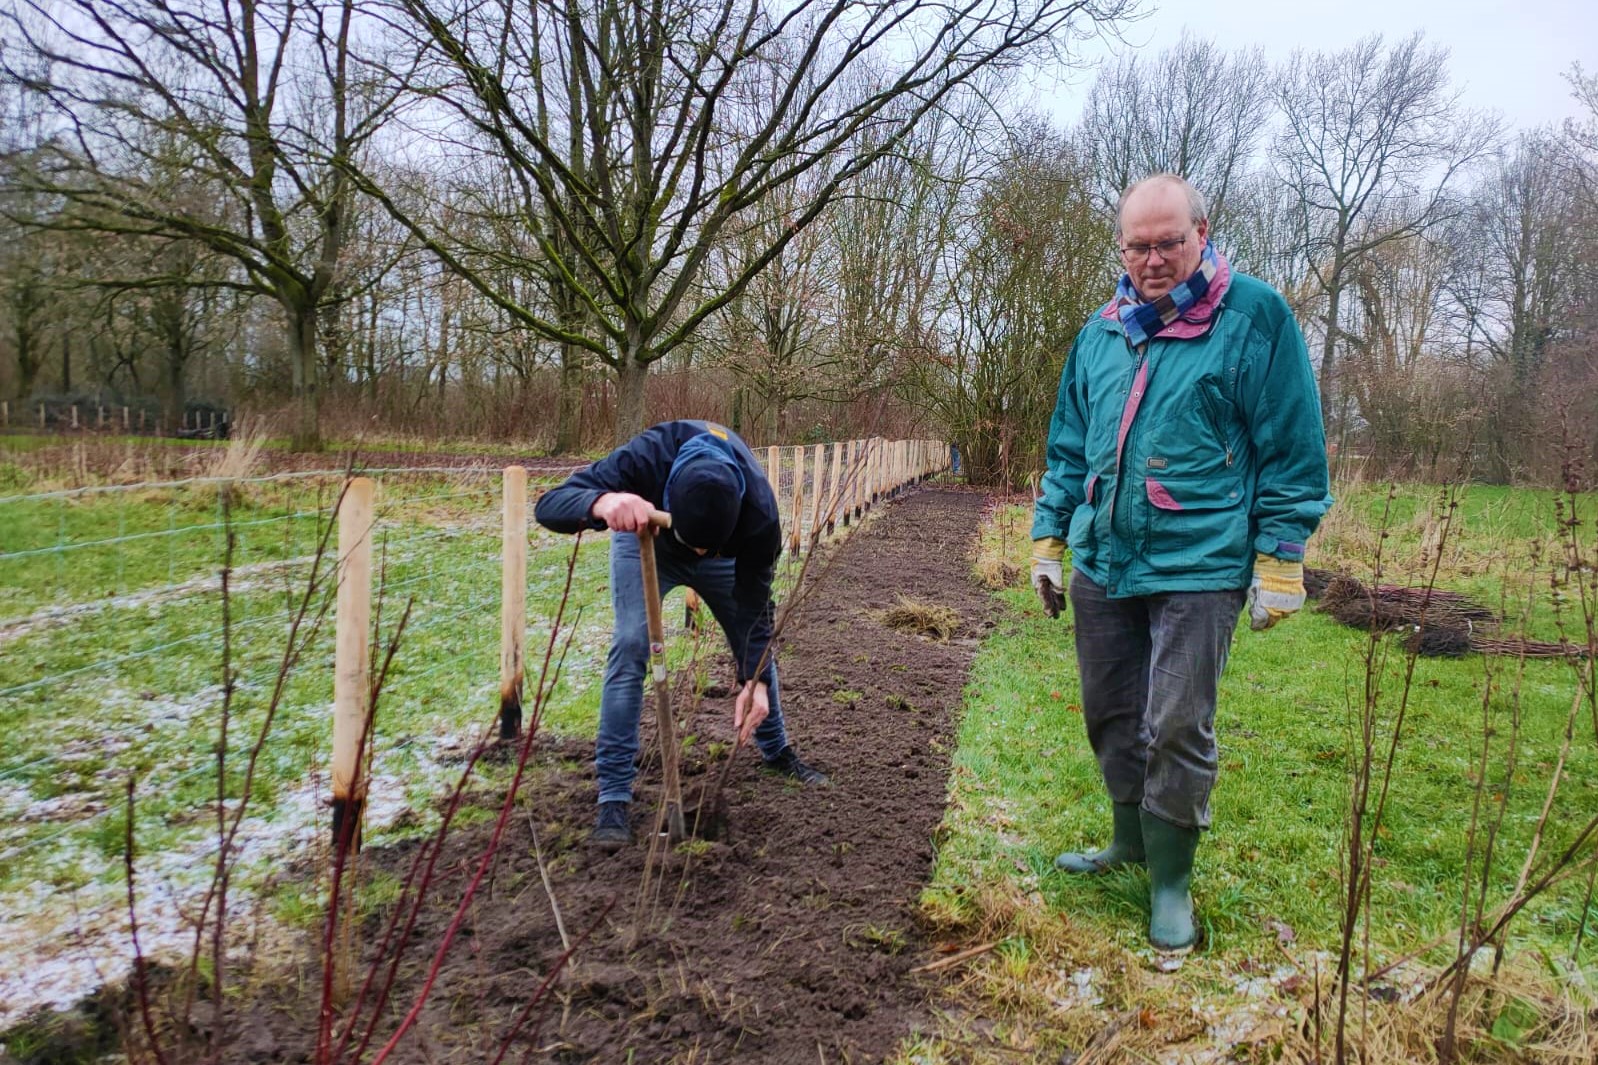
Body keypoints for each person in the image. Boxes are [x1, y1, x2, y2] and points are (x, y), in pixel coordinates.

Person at [1030, 174, 1331, 952]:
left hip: (1201, 561)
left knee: (1175, 724)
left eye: (1169, 241)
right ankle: (1128, 841)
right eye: (1139, 245)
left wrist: (1282, 557)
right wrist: (1049, 538)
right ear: (1121, 247)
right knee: (1111, 713)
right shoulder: (1102, 331)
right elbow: (1068, 444)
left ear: (1202, 230)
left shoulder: (1254, 316)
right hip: (1106, 556)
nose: (1154, 259)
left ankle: (1171, 882)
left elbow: (1292, 447)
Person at [535, 419, 828, 850]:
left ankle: (777, 751)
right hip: (649, 541)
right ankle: (613, 796)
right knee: (632, 642)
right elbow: (550, 504)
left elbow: (754, 611)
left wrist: (756, 679)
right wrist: (603, 501)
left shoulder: (760, 514)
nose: (699, 557)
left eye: (706, 548)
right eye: (696, 545)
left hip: (731, 556)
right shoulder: (647, 456)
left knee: (756, 650)